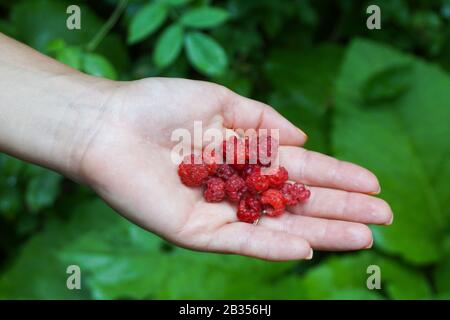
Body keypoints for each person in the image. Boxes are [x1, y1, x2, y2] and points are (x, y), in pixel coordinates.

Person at [0, 33, 393, 261]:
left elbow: (238, 181)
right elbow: (228, 179)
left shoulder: (241, 177)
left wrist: (93, 120)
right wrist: (99, 120)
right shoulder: (226, 173)